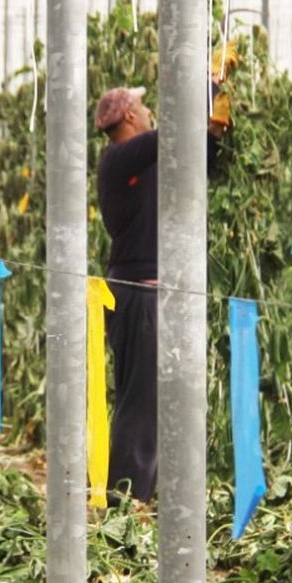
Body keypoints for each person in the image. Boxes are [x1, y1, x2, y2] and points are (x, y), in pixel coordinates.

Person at [94, 84, 226, 504]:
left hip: (154, 294)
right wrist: (207, 85)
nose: (150, 110)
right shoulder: (119, 159)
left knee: (155, 396)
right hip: (137, 296)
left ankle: (145, 490)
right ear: (130, 117)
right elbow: (173, 136)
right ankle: (126, 496)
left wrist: (214, 135)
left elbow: (195, 159)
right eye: (144, 105)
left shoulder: (144, 163)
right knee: (140, 399)